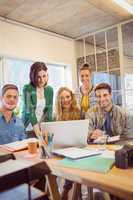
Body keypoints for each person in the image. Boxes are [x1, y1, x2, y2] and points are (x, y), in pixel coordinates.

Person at [55, 87, 81, 200]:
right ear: (58, 100)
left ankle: (66, 189)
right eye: (62, 98)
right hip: (61, 148)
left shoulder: (79, 113)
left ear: (72, 98)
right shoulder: (55, 115)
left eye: (67, 97)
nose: (65, 100)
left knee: (72, 160)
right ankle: (64, 190)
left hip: (77, 147)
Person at [22, 61, 53, 137]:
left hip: (42, 128)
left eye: (44, 76)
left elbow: (49, 112)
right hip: (28, 129)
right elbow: (30, 111)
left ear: (47, 75)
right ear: (33, 76)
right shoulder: (27, 88)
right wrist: (38, 133)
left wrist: (47, 131)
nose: (42, 80)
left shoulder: (49, 90)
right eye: (38, 77)